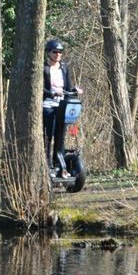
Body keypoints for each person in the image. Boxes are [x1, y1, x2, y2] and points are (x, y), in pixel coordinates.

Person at [43, 39, 82, 177]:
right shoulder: (44, 68)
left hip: (62, 105)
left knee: (61, 135)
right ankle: (46, 163)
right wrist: (52, 93)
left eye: (60, 52)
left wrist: (75, 90)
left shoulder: (64, 67)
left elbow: (68, 87)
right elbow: (40, 89)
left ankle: (58, 163)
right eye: (55, 52)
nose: (58, 54)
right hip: (48, 104)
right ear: (48, 52)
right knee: (49, 135)